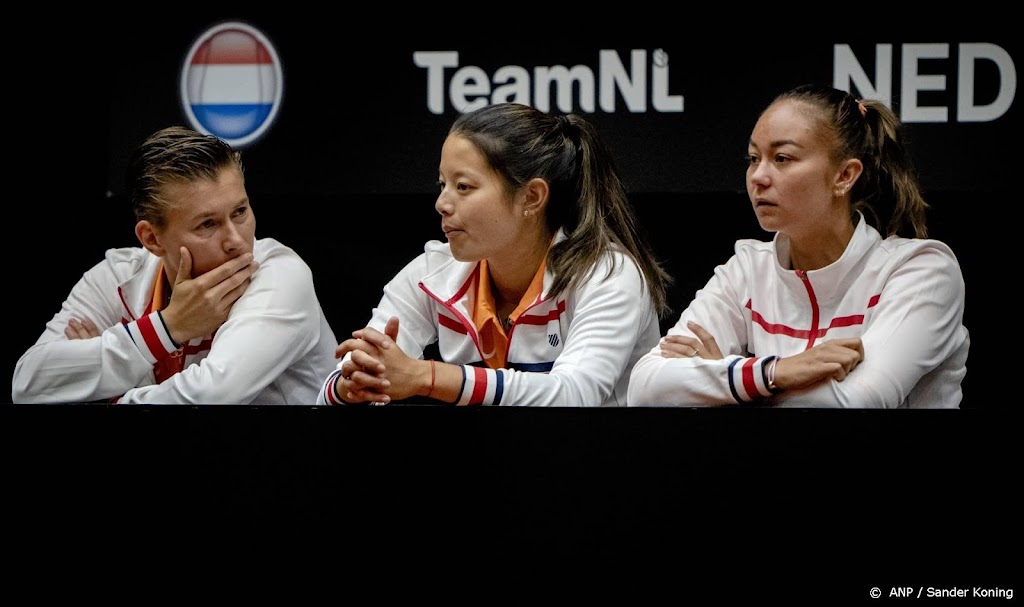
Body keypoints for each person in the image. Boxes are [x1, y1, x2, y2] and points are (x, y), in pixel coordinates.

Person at [628, 83, 969, 408]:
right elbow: (645, 387)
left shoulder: (922, 271)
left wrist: (724, 383)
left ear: (844, 176)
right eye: (752, 158)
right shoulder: (747, 270)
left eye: (782, 158)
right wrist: (774, 372)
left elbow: (857, 403)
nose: (758, 177)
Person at [318, 102, 672, 406]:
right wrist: (355, 384)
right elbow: (329, 390)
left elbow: (574, 395)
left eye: (463, 187)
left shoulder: (608, 274)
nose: (442, 203)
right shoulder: (430, 274)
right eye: (442, 184)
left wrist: (426, 376)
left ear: (532, 197)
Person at [12, 126, 338, 404]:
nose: (236, 241)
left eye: (240, 212)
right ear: (152, 239)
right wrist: (168, 328)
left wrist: (101, 390)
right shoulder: (116, 276)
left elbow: (213, 395)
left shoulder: (279, 274)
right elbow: (28, 384)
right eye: (207, 224)